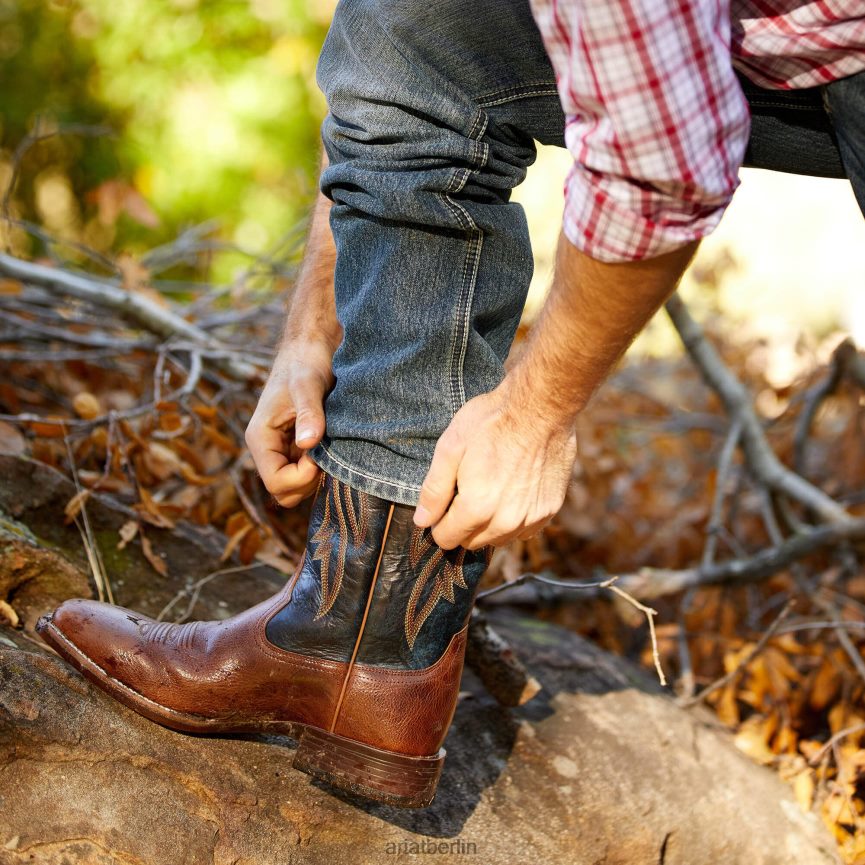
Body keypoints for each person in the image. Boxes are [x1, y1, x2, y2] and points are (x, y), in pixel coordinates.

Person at [39, 1, 865, 808]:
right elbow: (385, 54)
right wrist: (310, 328)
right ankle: (363, 651)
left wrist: (535, 416)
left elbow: (662, 168)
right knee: (410, 27)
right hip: (780, 36)